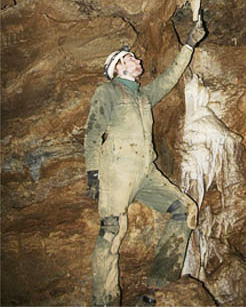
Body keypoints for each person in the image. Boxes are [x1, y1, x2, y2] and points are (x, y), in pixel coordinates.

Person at [84, 18, 206, 306]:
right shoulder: (109, 91)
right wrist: (93, 172)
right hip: (117, 170)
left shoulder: (142, 97)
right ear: (117, 68)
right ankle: (105, 300)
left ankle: (159, 287)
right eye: (129, 58)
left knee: (184, 210)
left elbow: (169, 78)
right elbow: (92, 131)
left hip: (145, 172)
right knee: (112, 231)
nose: (136, 59)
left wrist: (189, 44)